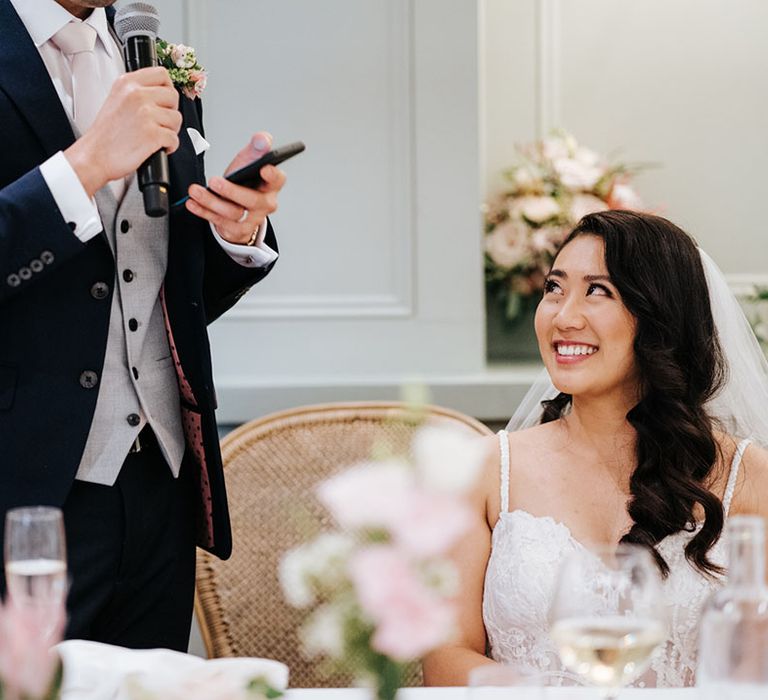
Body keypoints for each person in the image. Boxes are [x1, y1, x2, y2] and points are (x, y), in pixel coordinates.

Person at [0, 0, 287, 650]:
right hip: (24, 492)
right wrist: (84, 167)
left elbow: (162, 288)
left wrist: (235, 232)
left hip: (161, 482)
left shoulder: (150, 58)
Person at [422, 210, 768, 687]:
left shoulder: (747, 478)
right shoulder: (486, 470)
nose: (563, 317)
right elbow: (445, 657)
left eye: (598, 291)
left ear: (659, 317)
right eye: (554, 288)